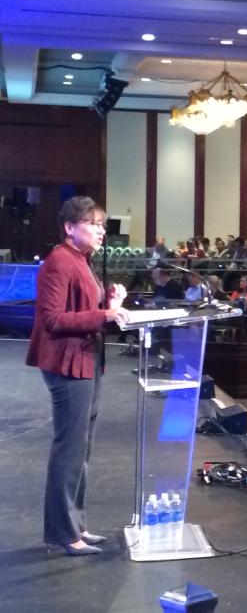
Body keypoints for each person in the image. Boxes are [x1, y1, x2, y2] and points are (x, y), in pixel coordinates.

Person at [26, 196, 130, 556]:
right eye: (93, 223)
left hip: (86, 360)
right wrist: (104, 315)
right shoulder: (59, 262)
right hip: (67, 365)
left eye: (102, 223)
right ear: (70, 227)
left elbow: (89, 311)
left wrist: (110, 307)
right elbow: (53, 319)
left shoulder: (82, 261)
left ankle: (76, 527)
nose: (101, 230)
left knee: (80, 450)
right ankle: (63, 532)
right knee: (69, 450)